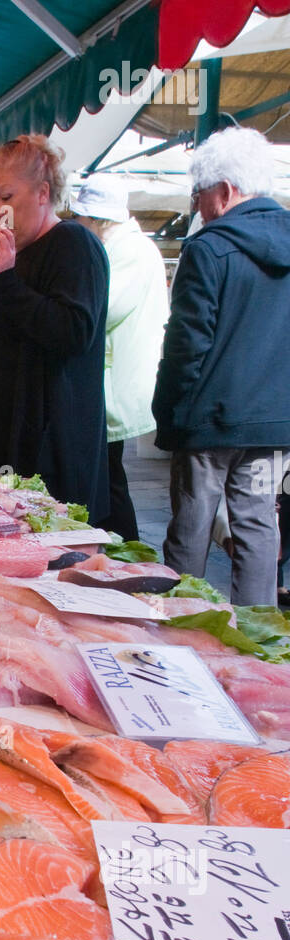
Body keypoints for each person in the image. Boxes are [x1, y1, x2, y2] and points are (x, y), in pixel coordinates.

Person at [153, 126, 290, 606]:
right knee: (258, 527)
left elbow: (186, 345)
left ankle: (179, 633)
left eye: (198, 195)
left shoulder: (208, 249)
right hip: (273, 425)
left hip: (209, 425)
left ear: (226, 191)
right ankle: (259, 648)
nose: (197, 207)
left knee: (191, 528)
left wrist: (167, 410)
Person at [0, 135, 110, 519]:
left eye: (6, 197)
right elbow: (11, 336)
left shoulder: (73, 244)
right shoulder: (20, 253)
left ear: (42, 193)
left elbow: (72, 331)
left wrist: (7, 280)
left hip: (43, 452)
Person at [71, 173, 169, 540]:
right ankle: (119, 549)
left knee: (109, 477)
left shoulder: (130, 250)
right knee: (108, 474)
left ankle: (127, 552)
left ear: (98, 219)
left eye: (81, 219)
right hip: (112, 380)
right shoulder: (124, 247)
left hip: (116, 383)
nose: (79, 226)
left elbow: (101, 309)